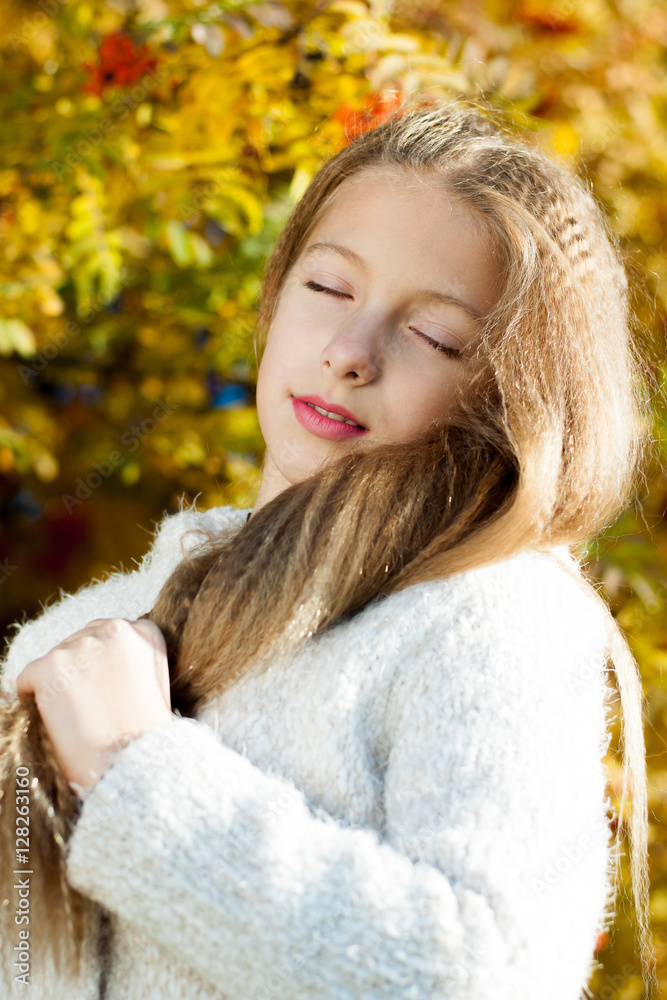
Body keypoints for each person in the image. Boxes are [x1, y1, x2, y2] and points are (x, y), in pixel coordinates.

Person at [0, 98, 658, 1000]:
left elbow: (487, 977)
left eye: (434, 336)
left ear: (509, 400)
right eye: (328, 288)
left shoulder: (494, 615)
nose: (352, 350)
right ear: (275, 295)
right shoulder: (80, 638)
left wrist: (135, 775)